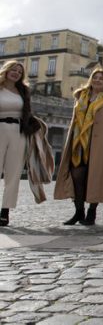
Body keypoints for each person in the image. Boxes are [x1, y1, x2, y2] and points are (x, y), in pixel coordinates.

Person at [55, 69, 103, 225]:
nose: (98, 80)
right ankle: (79, 212)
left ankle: (92, 212)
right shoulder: (80, 95)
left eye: (101, 78)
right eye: (95, 78)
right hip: (78, 141)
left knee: (95, 177)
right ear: (91, 79)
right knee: (77, 175)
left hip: (100, 142)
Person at [0, 61, 36, 226]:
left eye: (19, 71)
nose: (16, 73)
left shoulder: (23, 91)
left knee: (13, 173)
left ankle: (5, 211)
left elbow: (27, 112)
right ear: (6, 71)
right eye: (13, 69)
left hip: (18, 132)